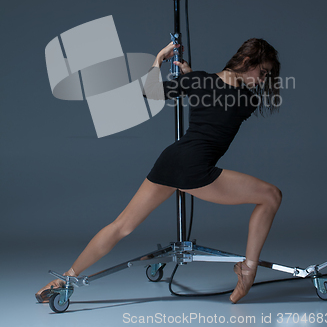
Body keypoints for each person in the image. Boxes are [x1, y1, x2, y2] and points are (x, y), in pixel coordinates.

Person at [36, 38, 282, 304]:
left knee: (121, 226)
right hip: (195, 169)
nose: (263, 79)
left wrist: (160, 59)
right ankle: (248, 270)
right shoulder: (247, 100)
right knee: (271, 196)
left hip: (171, 159)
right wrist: (192, 78)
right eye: (263, 72)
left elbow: (152, 91)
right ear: (248, 62)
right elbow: (220, 99)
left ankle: (65, 278)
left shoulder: (199, 81)